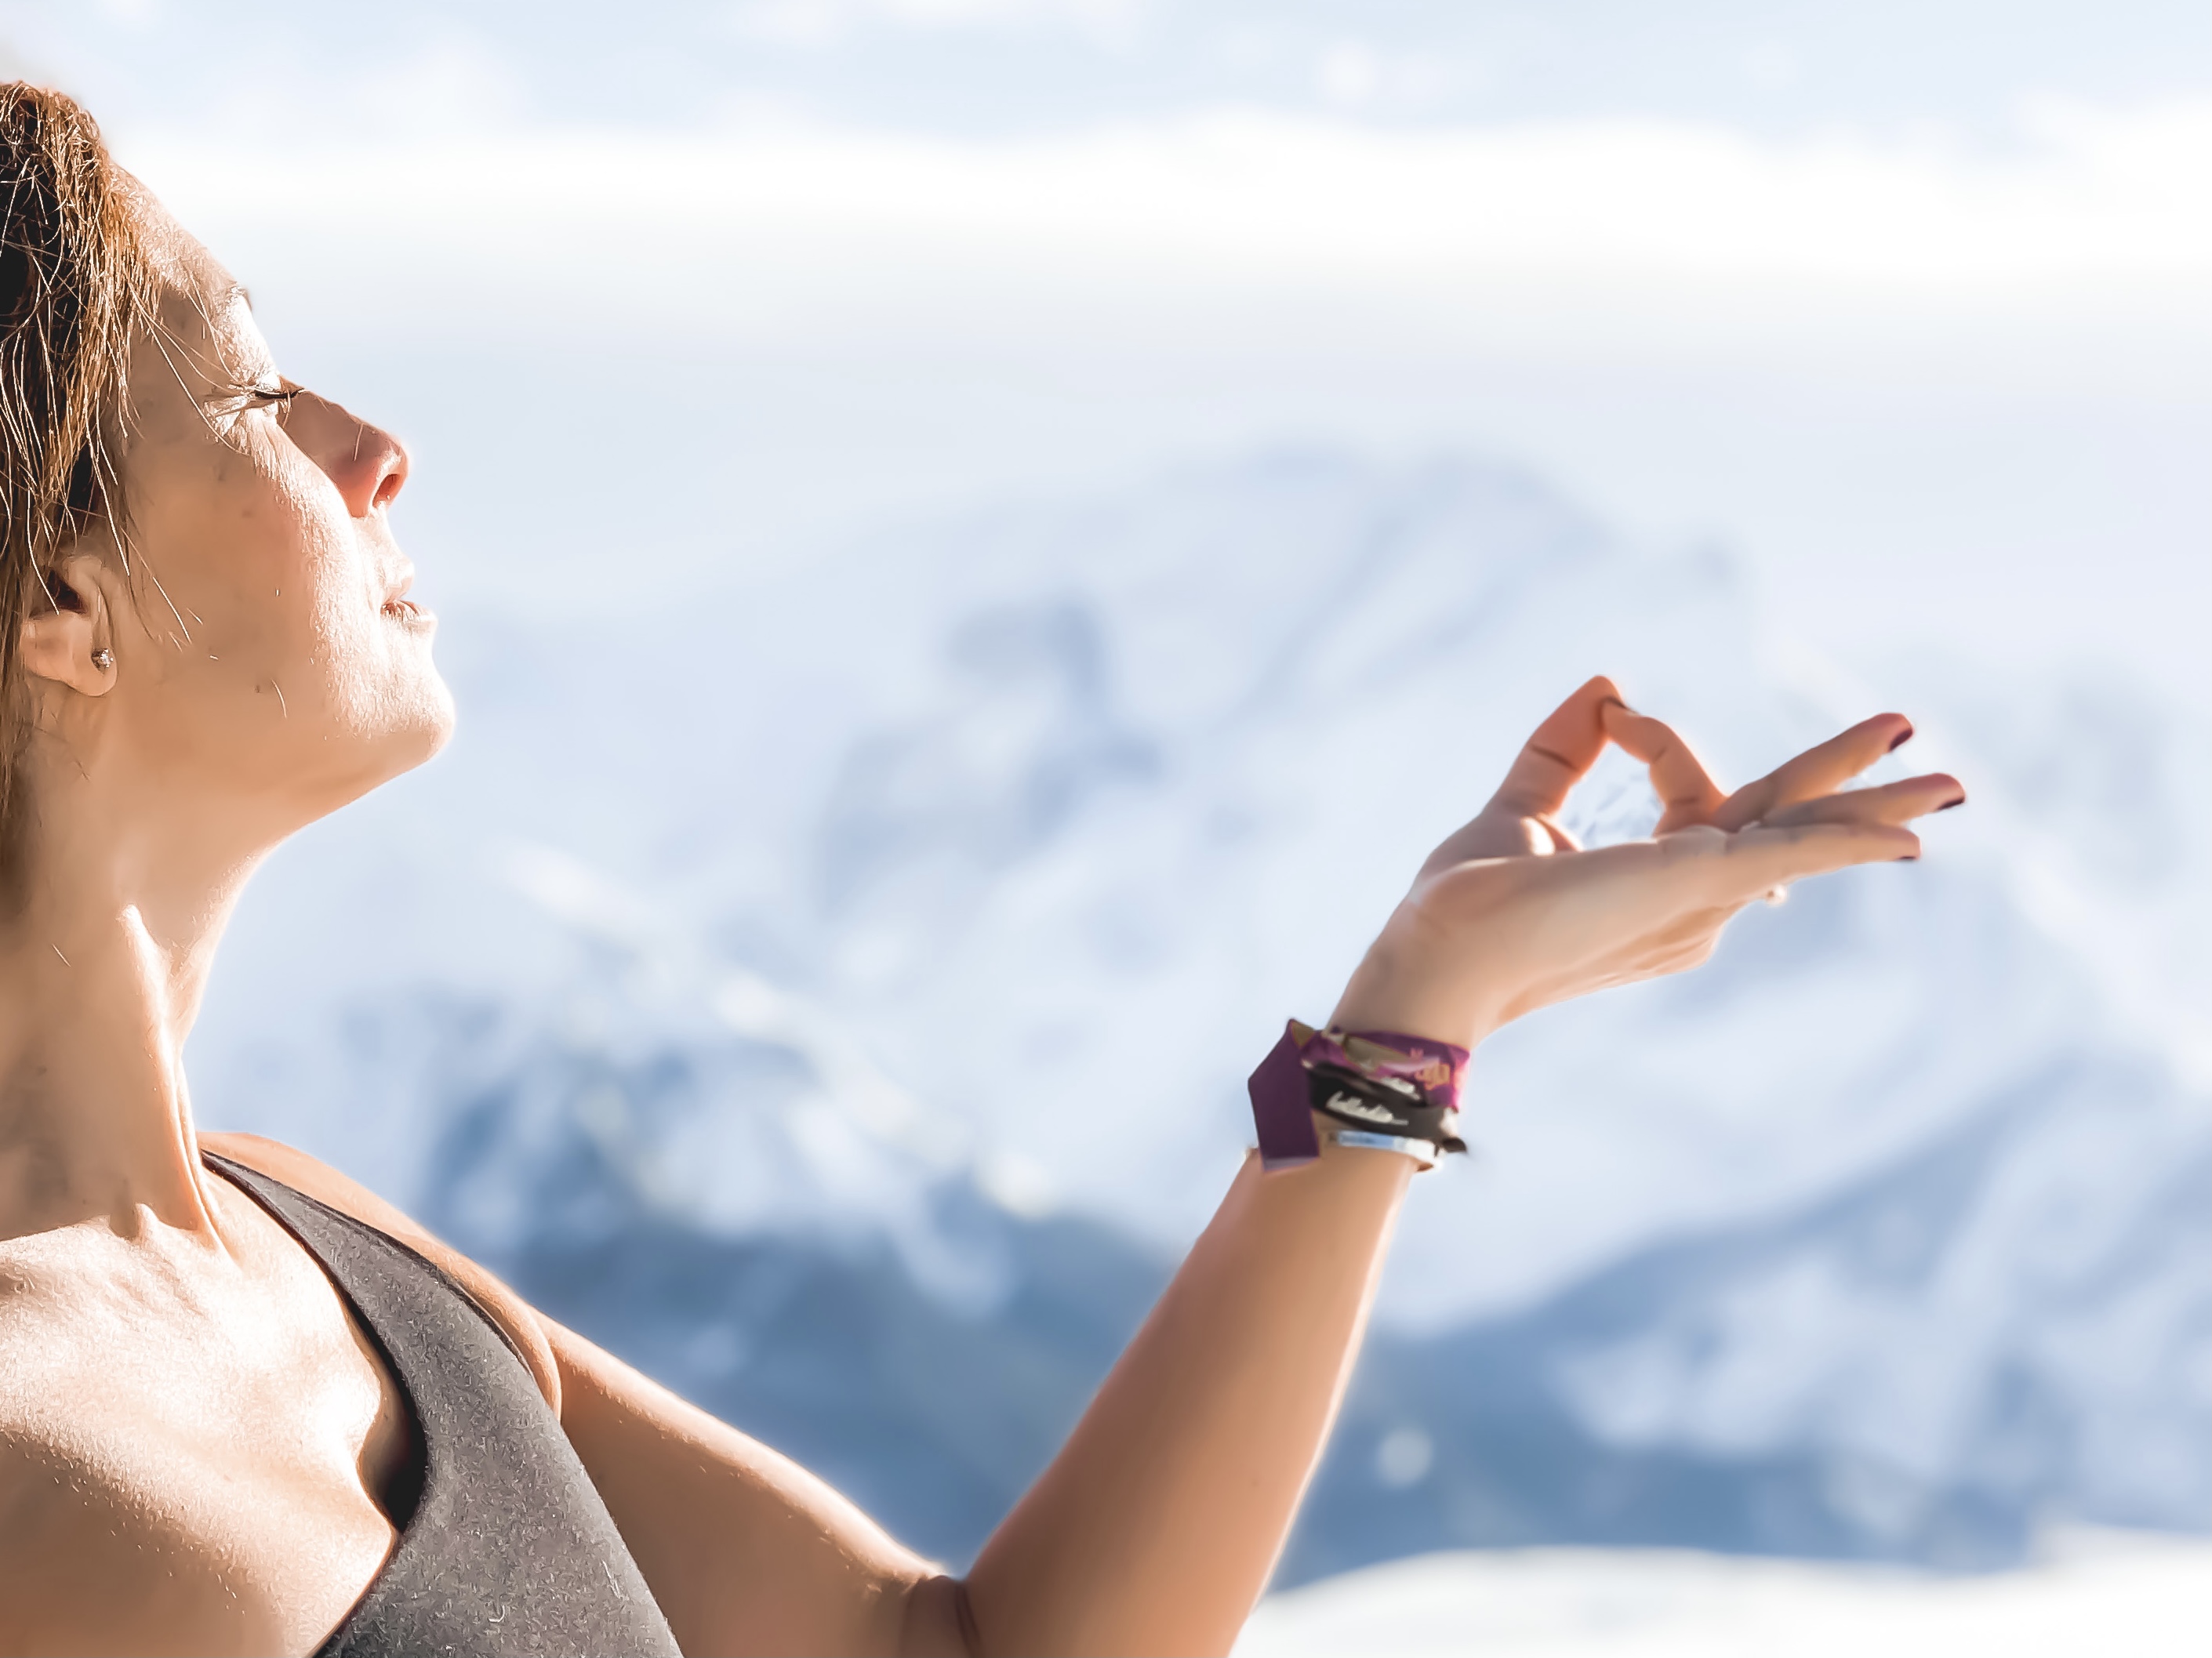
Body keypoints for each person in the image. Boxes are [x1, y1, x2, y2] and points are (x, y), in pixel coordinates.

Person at [0, 82, 1963, 1657]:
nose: (373, 447)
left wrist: (1413, 1016)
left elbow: (969, 1650)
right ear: (59, 605)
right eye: (250, 393)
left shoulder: (325, 1254)